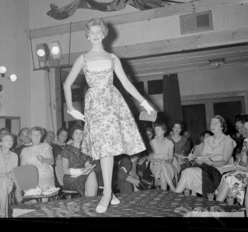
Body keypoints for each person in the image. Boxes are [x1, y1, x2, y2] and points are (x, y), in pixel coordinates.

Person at [63, 18, 154, 213]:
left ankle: (106, 194)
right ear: (88, 36)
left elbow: (127, 84)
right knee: (103, 149)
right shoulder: (83, 58)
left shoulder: (113, 58)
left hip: (113, 103)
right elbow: (66, 84)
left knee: (108, 149)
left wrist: (145, 103)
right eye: (92, 32)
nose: (95, 35)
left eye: (98, 32)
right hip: (95, 104)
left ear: (104, 34)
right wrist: (70, 108)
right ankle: (109, 193)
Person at [175, 115, 236, 198]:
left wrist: (211, 163)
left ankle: (179, 198)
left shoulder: (228, 141)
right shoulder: (207, 140)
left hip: (219, 170)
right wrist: (193, 158)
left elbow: (224, 161)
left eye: (216, 123)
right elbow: (202, 158)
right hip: (205, 168)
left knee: (188, 172)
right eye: (211, 123)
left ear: (222, 126)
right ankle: (178, 198)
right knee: (186, 171)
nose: (212, 125)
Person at [216, 114, 248, 207]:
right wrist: (239, 166)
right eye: (246, 129)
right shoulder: (247, 141)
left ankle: (217, 206)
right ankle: (218, 206)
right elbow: (244, 161)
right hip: (247, 171)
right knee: (228, 176)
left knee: (229, 178)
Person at [61, 122, 98, 197]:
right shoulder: (66, 150)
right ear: (72, 135)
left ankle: (90, 201)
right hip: (70, 178)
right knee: (91, 176)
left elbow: (87, 165)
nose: (78, 135)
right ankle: (90, 201)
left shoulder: (86, 150)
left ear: (84, 135)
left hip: (84, 175)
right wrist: (82, 171)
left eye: (81, 133)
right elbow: (65, 170)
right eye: (76, 133)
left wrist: (88, 168)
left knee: (92, 173)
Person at [0, 132, 18, 218]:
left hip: (8, 182)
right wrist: (4, 175)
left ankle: (2, 210)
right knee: (4, 180)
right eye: (6, 140)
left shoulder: (14, 156)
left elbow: (13, 172)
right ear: (0, 143)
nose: (9, 141)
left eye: (11, 140)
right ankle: (3, 210)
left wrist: (10, 176)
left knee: (5, 182)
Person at [20, 126, 55, 192]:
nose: (36, 137)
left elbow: (52, 161)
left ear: (41, 136)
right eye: (34, 135)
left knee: (44, 191)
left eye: (38, 134)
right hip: (30, 177)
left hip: (45, 175)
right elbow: (23, 168)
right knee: (32, 196)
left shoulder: (46, 146)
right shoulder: (25, 150)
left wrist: (43, 160)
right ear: (30, 136)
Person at [149, 122, 177, 192]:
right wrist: (156, 160)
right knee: (162, 166)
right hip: (155, 165)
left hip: (168, 165)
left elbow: (171, 159)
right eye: (155, 130)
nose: (156, 132)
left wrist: (165, 161)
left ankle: (164, 193)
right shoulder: (152, 143)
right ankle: (173, 188)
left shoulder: (169, 143)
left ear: (164, 131)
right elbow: (149, 158)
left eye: (158, 130)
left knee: (162, 173)